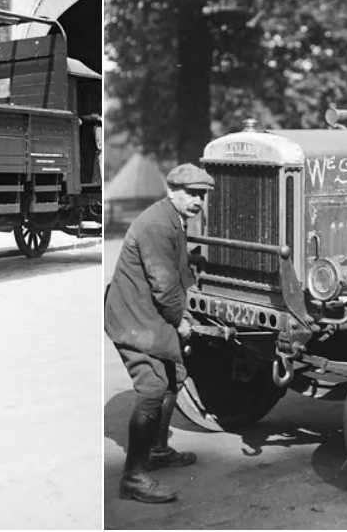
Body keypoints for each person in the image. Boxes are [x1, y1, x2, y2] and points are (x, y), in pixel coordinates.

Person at [104, 163, 213, 504]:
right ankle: (133, 477)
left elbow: (171, 266)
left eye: (202, 195)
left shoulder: (174, 219)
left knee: (174, 374)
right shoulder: (157, 224)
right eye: (192, 194)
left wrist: (194, 261)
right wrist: (183, 321)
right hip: (133, 317)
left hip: (148, 312)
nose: (198, 201)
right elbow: (164, 286)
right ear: (172, 191)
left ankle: (157, 450)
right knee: (153, 384)